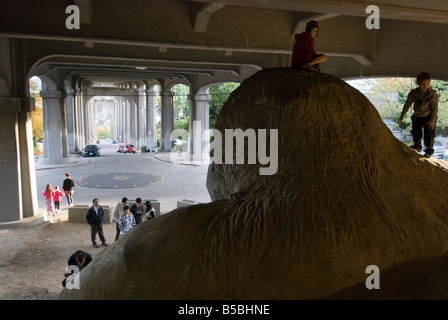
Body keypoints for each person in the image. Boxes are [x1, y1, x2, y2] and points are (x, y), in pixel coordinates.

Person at [397, 72, 439, 158]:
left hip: (429, 117)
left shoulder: (432, 94)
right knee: (416, 133)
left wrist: (432, 121)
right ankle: (417, 146)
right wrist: (401, 117)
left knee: (429, 134)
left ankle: (429, 151)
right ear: (418, 83)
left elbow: (434, 108)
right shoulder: (413, 93)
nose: (425, 86)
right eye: (423, 84)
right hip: (417, 116)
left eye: (428, 84)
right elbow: (407, 105)